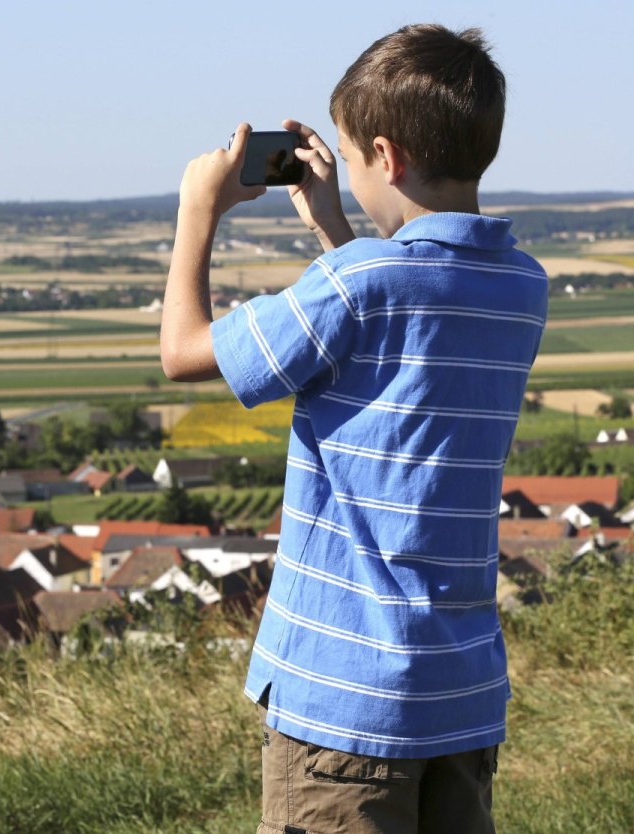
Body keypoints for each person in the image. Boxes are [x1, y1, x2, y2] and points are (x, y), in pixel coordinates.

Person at [158, 24, 547, 834]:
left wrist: (198, 211)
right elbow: (407, 335)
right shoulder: (520, 285)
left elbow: (184, 354)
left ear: (386, 155)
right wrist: (336, 230)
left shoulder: (360, 281)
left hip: (345, 701)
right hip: (460, 695)